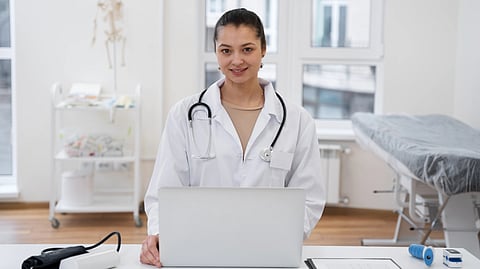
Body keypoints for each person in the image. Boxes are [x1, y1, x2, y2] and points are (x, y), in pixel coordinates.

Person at [140, 8, 326, 267]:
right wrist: (160, 235)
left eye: (247, 49)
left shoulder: (296, 121)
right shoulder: (185, 115)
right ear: (216, 53)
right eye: (226, 50)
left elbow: (310, 197)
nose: (236, 60)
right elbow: (163, 191)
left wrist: (284, 237)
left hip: (268, 252)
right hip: (196, 248)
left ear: (263, 50)